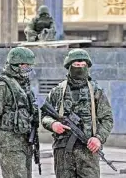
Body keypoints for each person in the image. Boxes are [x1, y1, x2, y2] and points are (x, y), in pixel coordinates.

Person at [40, 48, 114, 178]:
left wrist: (98, 138)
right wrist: (53, 124)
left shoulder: (96, 91)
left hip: (88, 151)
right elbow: (45, 116)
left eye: (83, 65)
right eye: (76, 65)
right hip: (63, 151)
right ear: (69, 66)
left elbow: (107, 119)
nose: (79, 67)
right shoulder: (57, 91)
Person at [0, 47, 38, 178]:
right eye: (25, 65)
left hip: (26, 142)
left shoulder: (24, 86)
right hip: (10, 144)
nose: (28, 69)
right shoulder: (1, 86)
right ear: (15, 65)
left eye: (29, 65)